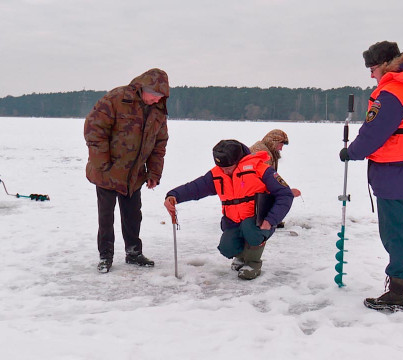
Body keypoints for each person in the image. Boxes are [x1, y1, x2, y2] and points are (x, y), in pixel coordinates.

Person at [339, 41, 403, 312]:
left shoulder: (394, 91)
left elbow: (374, 132)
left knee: (396, 234)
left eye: (372, 68)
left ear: (385, 65)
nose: (371, 75)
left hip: (395, 172)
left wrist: (352, 152)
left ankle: (396, 292)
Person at [164, 139, 294, 280]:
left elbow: (285, 194)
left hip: (259, 222)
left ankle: (253, 263)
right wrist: (173, 195)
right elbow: (195, 187)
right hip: (233, 222)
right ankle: (241, 257)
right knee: (227, 247)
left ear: (238, 160)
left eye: (228, 168)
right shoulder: (218, 173)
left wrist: (271, 220)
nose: (225, 171)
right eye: (222, 168)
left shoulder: (260, 169)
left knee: (250, 230)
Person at [84, 68, 169, 273]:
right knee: (106, 217)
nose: (157, 100)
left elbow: (159, 144)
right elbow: (94, 130)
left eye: (161, 96)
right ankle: (105, 256)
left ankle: (133, 252)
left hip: (135, 176)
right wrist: (103, 164)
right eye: (155, 95)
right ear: (143, 88)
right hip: (107, 172)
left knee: (133, 215)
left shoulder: (158, 112)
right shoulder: (116, 99)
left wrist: (154, 173)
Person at [250, 129, 301, 228]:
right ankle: (266, 220)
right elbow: (265, 182)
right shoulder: (263, 153)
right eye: (280, 145)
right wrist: (285, 191)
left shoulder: (266, 151)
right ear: (273, 142)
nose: (281, 149)